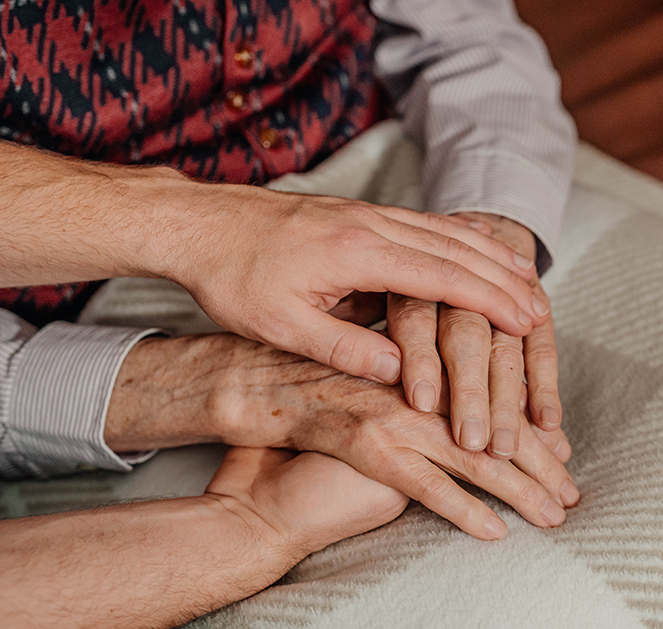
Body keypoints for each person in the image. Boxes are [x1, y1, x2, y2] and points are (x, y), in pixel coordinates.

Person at [0, 0, 579, 623]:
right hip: (75, 352)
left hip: (427, 183)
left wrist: (486, 248)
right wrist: (213, 380)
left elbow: (469, 39)